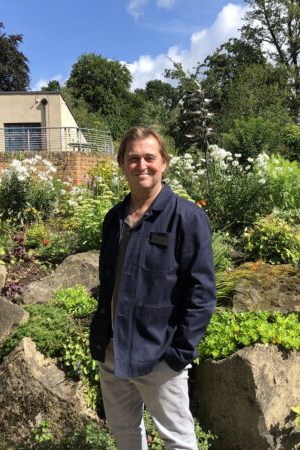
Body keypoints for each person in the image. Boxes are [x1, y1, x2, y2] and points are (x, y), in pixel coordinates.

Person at [89, 126, 216, 450]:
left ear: (164, 163)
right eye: (133, 158)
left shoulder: (186, 218)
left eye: (149, 157)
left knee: (178, 442)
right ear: (121, 164)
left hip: (158, 355)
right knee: (125, 435)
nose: (141, 165)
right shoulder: (113, 218)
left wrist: (179, 354)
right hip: (113, 353)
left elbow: (201, 294)